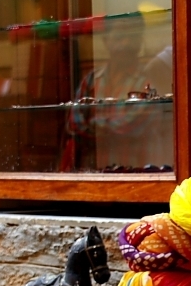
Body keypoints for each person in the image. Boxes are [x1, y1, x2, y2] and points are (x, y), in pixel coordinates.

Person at [60, 13, 173, 172]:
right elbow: (73, 124)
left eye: (132, 37)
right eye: (119, 37)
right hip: (98, 174)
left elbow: (129, 126)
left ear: (140, 41)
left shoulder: (148, 79)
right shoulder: (91, 80)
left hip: (139, 173)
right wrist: (102, 129)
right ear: (106, 41)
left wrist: (92, 128)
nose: (125, 43)